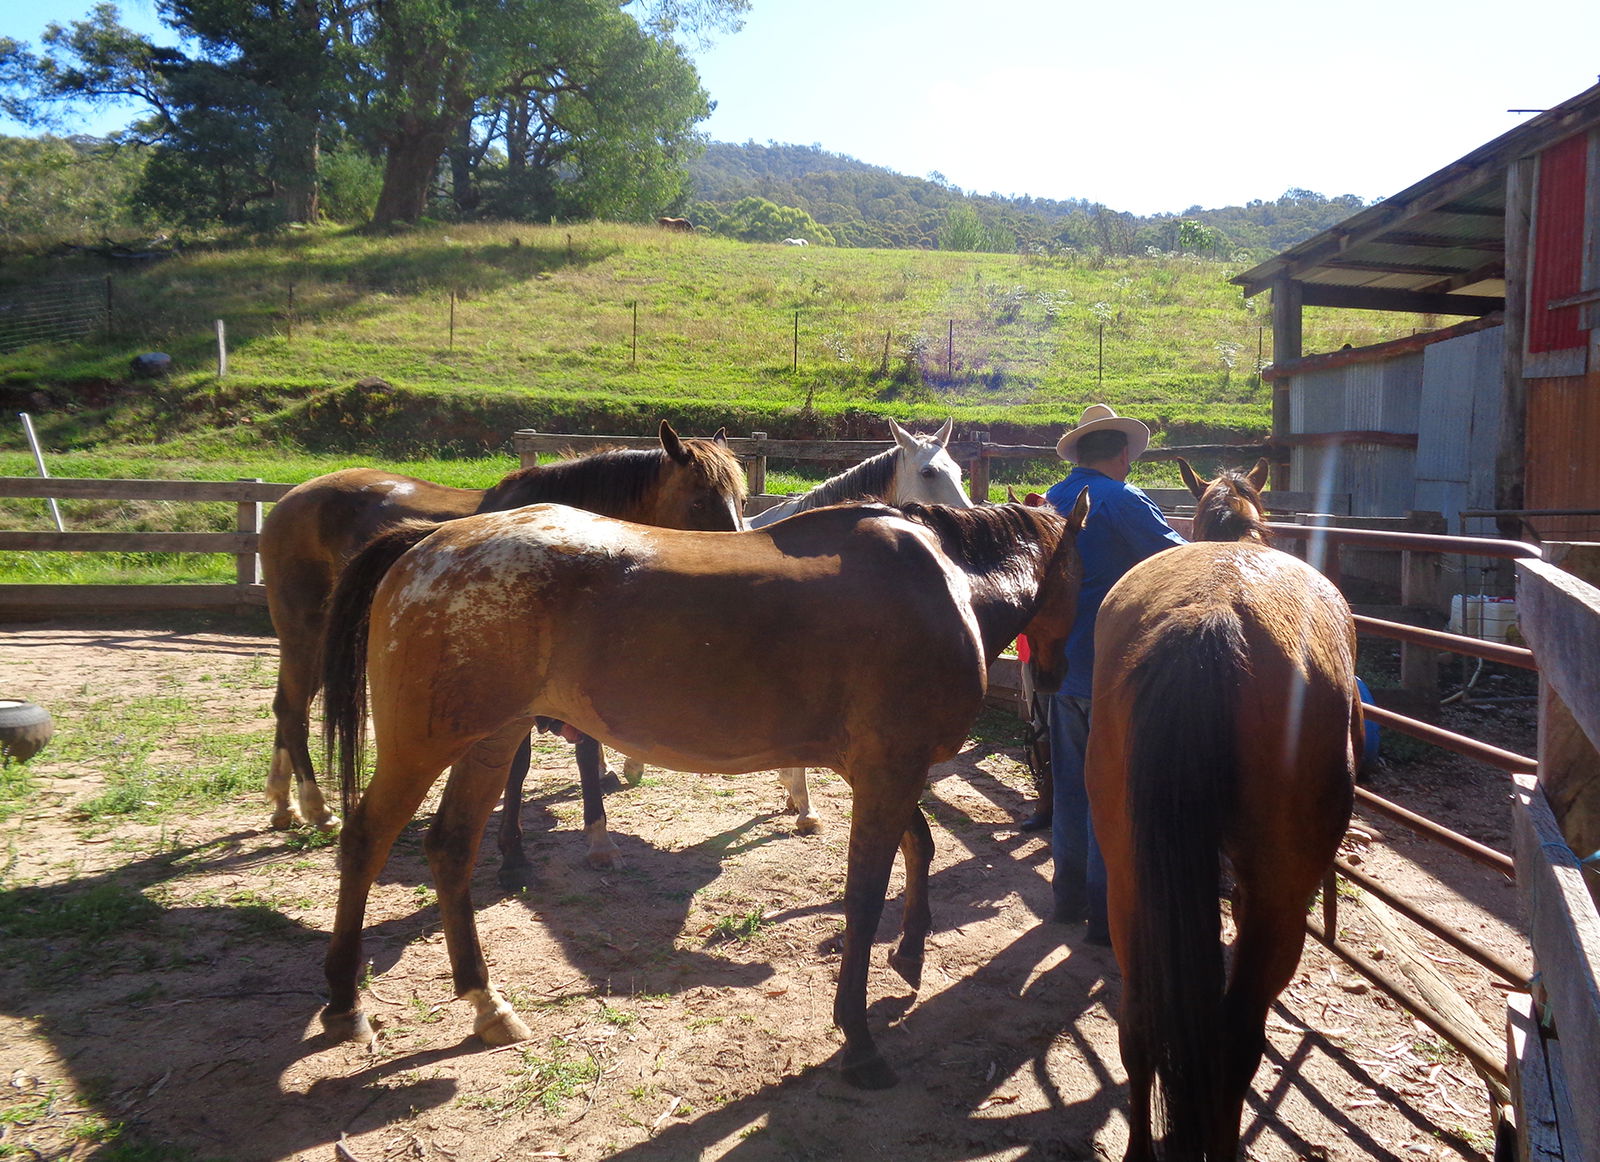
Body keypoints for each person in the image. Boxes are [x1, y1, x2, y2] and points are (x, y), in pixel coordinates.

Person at [1045, 404, 1186, 944]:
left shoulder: (1052, 499)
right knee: (1116, 788)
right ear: (1123, 454)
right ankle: (1107, 914)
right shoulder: (1124, 500)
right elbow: (1179, 562)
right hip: (1117, 668)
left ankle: (1067, 897)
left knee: (1073, 784)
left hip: (1064, 664)